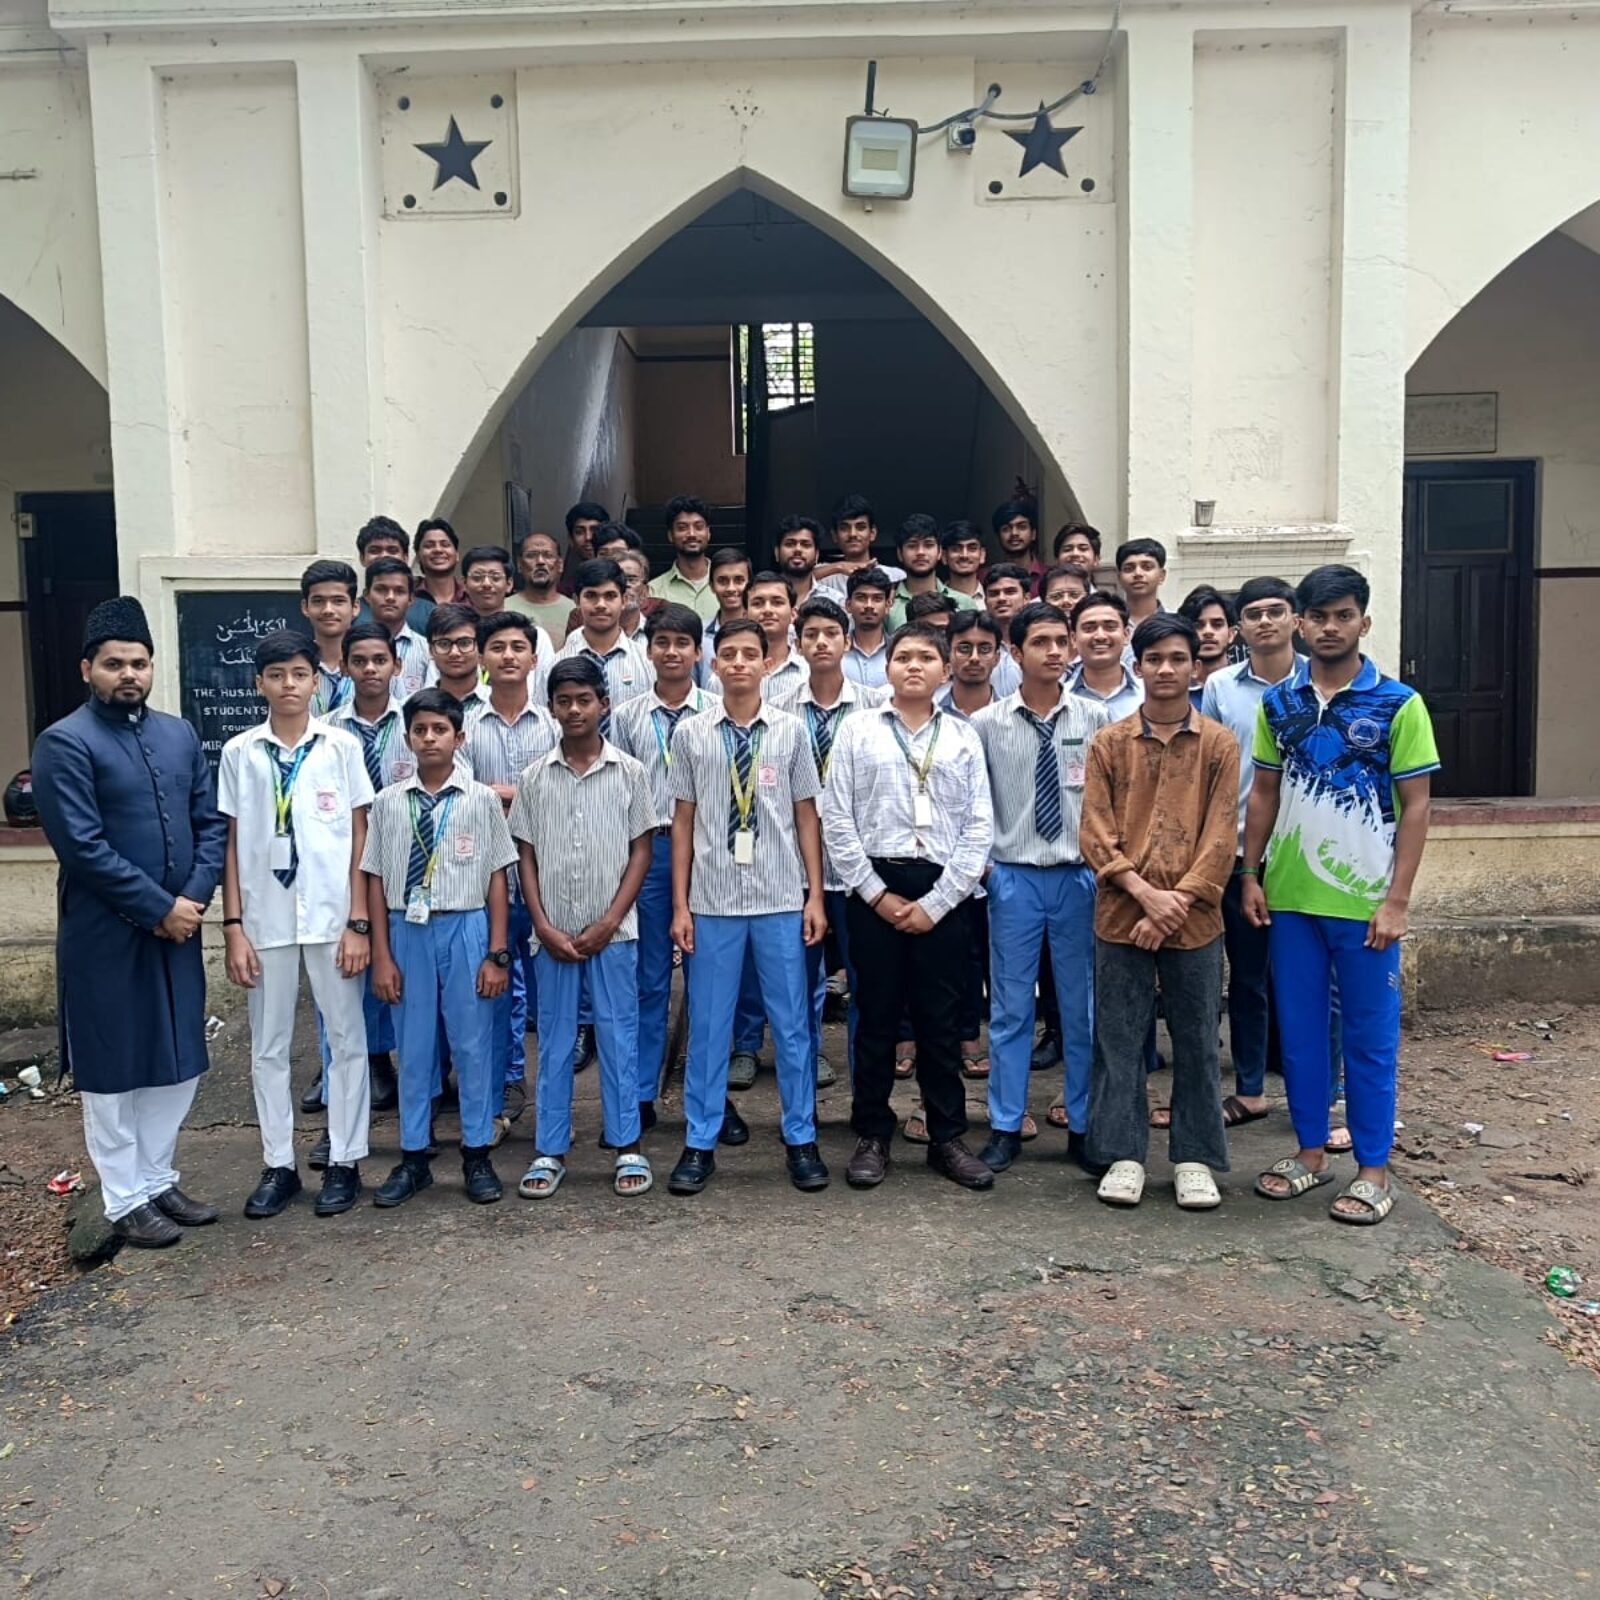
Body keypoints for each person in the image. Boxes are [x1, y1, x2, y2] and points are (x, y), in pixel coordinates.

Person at [1244, 565, 1439, 1227]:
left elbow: (1417, 807)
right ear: (1301, 623)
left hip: (1366, 902)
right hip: (1292, 897)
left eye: (1344, 615)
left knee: (1370, 1039)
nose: (1331, 627)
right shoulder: (1279, 704)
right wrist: (1250, 874)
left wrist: (1398, 899)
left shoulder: (1399, 704)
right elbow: (1264, 792)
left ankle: (1373, 1169)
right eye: (1320, 616)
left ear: (1364, 621)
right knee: (1300, 1036)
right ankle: (1310, 1153)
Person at [31, 596, 228, 1248]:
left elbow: (209, 824)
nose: (129, 675)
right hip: (107, 934)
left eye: (139, 663)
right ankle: (124, 1198)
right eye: (114, 664)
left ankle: (157, 1178)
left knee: (177, 1056)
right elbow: (82, 847)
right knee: (114, 1064)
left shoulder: (178, 734)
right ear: (87, 669)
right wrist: (158, 908)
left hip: (178, 928)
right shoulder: (64, 742)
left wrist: (192, 900)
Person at [822, 623, 994, 1191]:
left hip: (944, 893)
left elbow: (979, 826)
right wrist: (875, 893)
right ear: (887, 668)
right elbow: (836, 817)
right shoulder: (857, 730)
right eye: (902, 657)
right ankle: (872, 1134)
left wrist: (939, 902)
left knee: (940, 1023)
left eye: (925, 657)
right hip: (875, 887)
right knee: (875, 1020)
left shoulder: (963, 736)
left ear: (945, 670)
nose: (913, 666)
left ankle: (947, 1136)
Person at [1079, 615, 1238, 1211]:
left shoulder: (1218, 744)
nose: (1166, 669)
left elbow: (1222, 835)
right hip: (1122, 915)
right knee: (1119, 1037)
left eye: (1177, 658)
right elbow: (1094, 832)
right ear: (1137, 665)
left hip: (1195, 918)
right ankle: (1123, 1153)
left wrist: (1177, 903)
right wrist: (1146, 897)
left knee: (1197, 1039)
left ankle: (1194, 1157)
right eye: (1154, 659)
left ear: (1196, 667)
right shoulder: (1109, 743)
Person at [666, 618, 829, 1196]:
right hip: (712, 902)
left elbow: (806, 814)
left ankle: (801, 1136)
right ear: (713, 665)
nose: (738, 663)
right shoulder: (691, 733)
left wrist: (815, 895)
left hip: (780, 898)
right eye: (728, 654)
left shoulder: (790, 731)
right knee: (710, 1027)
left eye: (748, 654)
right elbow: (682, 821)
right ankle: (700, 1139)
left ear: (767, 663)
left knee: (792, 1025)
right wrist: (680, 904)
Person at [219, 630, 376, 1219]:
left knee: (347, 1041)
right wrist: (233, 926)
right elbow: (232, 843)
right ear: (258, 683)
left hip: (333, 917)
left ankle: (345, 1160)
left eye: (300, 674)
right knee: (269, 1046)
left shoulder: (340, 747)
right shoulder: (240, 753)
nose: (289, 685)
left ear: (317, 681)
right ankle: (278, 1164)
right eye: (277, 675)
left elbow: (360, 835)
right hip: (266, 919)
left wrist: (359, 921)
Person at [360, 688, 515, 1205]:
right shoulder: (389, 802)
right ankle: (413, 1156)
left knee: (472, 1044)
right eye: (420, 730)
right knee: (415, 1046)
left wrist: (497, 953)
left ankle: (477, 1152)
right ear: (408, 738)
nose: (430, 738)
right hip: (407, 930)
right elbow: (375, 879)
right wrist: (382, 956)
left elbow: (498, 876)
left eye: (440, 730)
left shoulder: (480, 799)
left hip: (466, 925)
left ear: (459, 738)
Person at [511, 657, 658, 1199]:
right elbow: (525, 856)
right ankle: (550, 1148)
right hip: (551, 936)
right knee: (554, 1040)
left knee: (619, 1035)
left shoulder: (630, 772)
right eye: (564, 701)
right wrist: (542, 925)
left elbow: (641, 852)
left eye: (584, 700)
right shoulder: (534, 776)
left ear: (604, 704)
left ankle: (626, 1145)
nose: (574, 710)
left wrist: (611, 919)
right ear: (551, 707)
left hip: (613, 933)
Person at [973, 602, 1109, 1175]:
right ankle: (1005, 1124)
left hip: (1078, 875)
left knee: (1081, 1009)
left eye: (1061, 641)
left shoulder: (1096, 718)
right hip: (1014, 877)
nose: (1054, 652)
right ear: (1015, 652)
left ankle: (1082, 1124)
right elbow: (975, 803)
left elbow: (1107, 800)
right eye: (1040, 642)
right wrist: (987, 868)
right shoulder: (987, 724)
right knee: (1010, 1010)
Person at [610, 605, 725, 1131]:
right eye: (662, 642)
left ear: (698, 652)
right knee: (650, 978)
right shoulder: (628, 716)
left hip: (711, 851)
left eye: (683, 642)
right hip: (651, 851)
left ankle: (712, 1096)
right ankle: (640, 1092)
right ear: (648, 650)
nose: (672, 652)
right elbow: (618, 788)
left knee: (710, 980)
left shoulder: (718, 710)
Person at [1195, 576, 1302, 1130]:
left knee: (1311, 979)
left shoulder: (1320, 682)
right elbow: (1211, 768)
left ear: (1295, 620)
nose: (1265, 621)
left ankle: (1320, 1093)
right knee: (1248, 978)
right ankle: (1251, 1086)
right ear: (1239, 628)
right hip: (1241, 851)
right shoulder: (1220, 686)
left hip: (1306, 852)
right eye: (1254, 614)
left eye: (1275, 611)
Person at [769, 594, 887, 1090]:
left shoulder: (875, 706)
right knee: (800, 980)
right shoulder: (778, 710)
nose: (821, 642)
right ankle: (805, 1070)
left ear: (847, 642)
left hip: (859, 864)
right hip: (796, 865)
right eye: (811, 634)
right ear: (798, 644)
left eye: (831, 634)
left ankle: (867, 1081)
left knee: (867, 979)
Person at [464, 611, 561, 1127]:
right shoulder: (462, 723)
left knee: (552, 994)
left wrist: (499, 792)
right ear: (483, 657)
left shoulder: (554, 723)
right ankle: (505, 1082)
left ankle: (554, 1099)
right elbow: (463, 796)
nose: (508, 656)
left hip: (546, 873)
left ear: (534, 658)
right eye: (497, 647)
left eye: (517, 647)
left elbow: (562, 792)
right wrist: (524, 791)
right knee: (495, 983)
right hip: (484, 876)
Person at [320, 622, 410, 1123]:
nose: (370, 669)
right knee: (346, 961)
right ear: (345, 667)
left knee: (395, 958)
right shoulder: (326, 730)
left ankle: (402, 1059)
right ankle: (351, 1063)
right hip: (345, 858)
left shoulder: (418, 719)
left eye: (379, 660)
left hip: (407, 852)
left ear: (396, 664)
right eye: (359, 661)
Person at [555, 558, 653, 724]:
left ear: (624, 600)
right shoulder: (556, 663)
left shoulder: (646, 662)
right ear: (576, 600)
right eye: (591, 596)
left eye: (610, 596)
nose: (600, 605)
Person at [887, 514, 978, 631]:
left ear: (940, 552)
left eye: (928, 545)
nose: (920, 552)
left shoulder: (964, 603)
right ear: (900, 554)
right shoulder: (888, 605)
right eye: (912, 546)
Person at [363, 557, 431, 701]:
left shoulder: (427, 650)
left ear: (411, 599)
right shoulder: (352, 649)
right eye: (381, 590)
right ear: (367, 596)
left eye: (399, 591)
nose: (390, 597)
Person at [1067, 592, 1143, 717]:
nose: (1100, 636)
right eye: (1089, 628)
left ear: (1126, 635)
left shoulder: (1148, 695)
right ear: (1073, 638)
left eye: (1110, 627)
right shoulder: (1057, 699)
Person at [815, 493, 904, 598]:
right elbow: (800, 580)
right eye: (844, 528)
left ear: (872, 533)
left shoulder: (894, 575)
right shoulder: (826, 575)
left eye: (860, 527)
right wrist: (839, 567)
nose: (852, 534)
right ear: (834, 535)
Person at [300, 559, 359, 715]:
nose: (328, 610)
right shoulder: (293, 669)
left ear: (355, 607)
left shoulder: (374, 667)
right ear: (305, 607)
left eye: (338, 601)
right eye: (318, 601)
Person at [648, 494, 718, 619]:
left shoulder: (727, 584)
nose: (691, 534)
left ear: (708, 533)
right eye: (682, 528)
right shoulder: (654, 590)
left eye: (698, 527)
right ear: (670, 535)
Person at [746, 570, 808, 700]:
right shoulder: (725, 675)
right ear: (745, 615)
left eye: (777, 602)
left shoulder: (809, 671)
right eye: (757, 603)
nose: (767, 610)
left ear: (793, 614)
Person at [506, 529, 575, 639]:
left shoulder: (575, 610)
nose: (540, 562)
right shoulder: (504, 609)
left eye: (548, 555)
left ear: (560, 565)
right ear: (519, 565)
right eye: (531, 556)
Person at [424, 602, 490, 716]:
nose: (454, 653)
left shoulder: (501, 704)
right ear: (431, 650)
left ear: (480, 647)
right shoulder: (409, 708)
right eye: (444, 644)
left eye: (464, 643)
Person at [1178, 586, 1239, 706]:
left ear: (1231, 634)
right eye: (1197, 625)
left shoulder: (1249, 687)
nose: (1208, 632)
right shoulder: (1171, 689)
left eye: (1217, 624)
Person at [937, 610, 1003, 718]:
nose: (974, 658)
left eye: (985, 649)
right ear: (948, 654)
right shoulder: (929, 715)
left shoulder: (1014, 717)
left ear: (997, 658)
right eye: (964, 648)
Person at [979, 563, 1029, 696]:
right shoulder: (976, 645)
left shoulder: (1036, 642)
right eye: (994, 594)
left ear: (1026, 598)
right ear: (985, 602)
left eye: (1010, 592)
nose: (1001, 598)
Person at [703, 546, 752, 677]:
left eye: (739, 580)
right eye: (722, 581)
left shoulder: (764, 632)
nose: (731, 588)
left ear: (750, 585)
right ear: (712, 586)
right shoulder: (699, 635)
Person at [410, 518, 466, 631]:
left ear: (457, 555)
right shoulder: (408, 597)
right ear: (418, 556)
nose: (438, 550)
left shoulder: (472, 596)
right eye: (429, 546)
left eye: (445, 545)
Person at [842, 566, 893, 689]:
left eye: (877, 599)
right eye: (861, 598)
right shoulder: (836, 652)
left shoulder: (899, 651)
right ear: (848, 605)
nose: (869, 605)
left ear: (887, 606)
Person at [1115, 538, 1167, 625]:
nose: (1138, 573)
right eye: (1129, 569)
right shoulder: (1110, 623)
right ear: (1119, 578)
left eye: (1147, 567)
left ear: (1162, 575)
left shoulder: (1177, 624)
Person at [774, 514, 823, 608]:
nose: (798, 549)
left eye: (806, 545)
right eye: (789, 544)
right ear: (777, 552)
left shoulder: (835, 599)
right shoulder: (762, 599)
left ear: (817, 555)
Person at [991, 497, 1044, 579]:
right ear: (998, 536)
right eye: (1006, 529)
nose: (1014, 533)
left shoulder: (1051, 577)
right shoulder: (984, 578)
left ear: (1033, 534)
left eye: (1022, 527)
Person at [941, 519, 987, 603]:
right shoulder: (933, 601)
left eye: (972, 549)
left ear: (982, 555)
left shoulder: (994, 598)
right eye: (956, 549)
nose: (964, 555)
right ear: (944, 556)